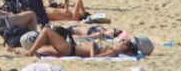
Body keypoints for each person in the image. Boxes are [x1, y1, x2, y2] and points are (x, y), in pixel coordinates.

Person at [14, 26, 144, 58]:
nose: (120, 41)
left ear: (125, 47)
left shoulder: (113, 51)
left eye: (123, 42)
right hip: (70, 49)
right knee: (40, 51)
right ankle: (22, 50)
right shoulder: (112, 50)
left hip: (70, 50)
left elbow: (95, 57)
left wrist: (92, 45)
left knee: (47, 31)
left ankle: (29, 52)